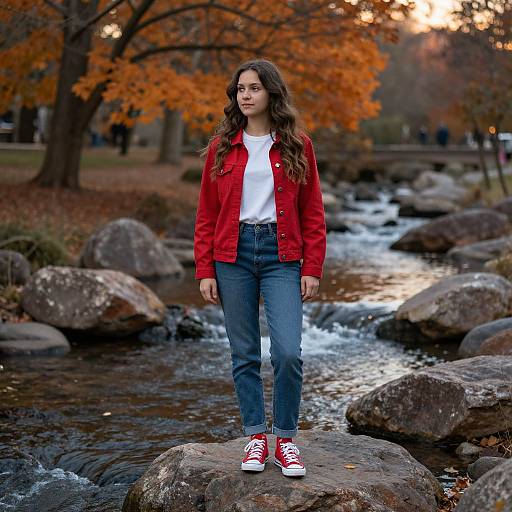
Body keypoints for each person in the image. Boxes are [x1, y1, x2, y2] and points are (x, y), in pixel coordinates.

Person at [193, 59, 326, 478]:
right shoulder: (221, 147)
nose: (244, 96)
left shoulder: (297, 145)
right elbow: (205, 213)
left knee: (287, 352)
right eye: (239, 89)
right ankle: (255, 437)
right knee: (244, 353)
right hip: (231, 255)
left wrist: (313, 266)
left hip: (281, 255)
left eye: (253, 88)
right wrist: (204, 269)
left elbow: (313, 212)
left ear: (271, 92)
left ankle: (285, 441)